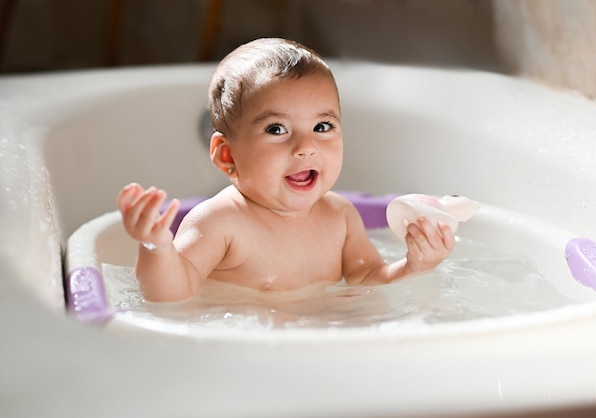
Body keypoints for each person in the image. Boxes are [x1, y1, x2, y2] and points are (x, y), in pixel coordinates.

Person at [117, 38, 455, 302]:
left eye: (323, 126)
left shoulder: (340, 216)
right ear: (226, 156)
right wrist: (157, 248)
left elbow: (369, 280)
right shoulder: (220, 221)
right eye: (276, 129)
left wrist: (415, 266)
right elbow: (172, 295)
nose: (306, 146)